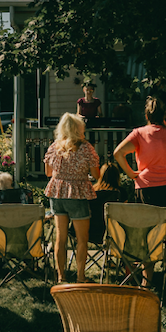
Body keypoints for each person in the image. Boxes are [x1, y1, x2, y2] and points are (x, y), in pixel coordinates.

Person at [114, 96, 166, 293]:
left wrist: (131, 173)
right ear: (165, 115)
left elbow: (117, 153)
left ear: (146, 115)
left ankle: (148, 282)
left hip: (147, 187)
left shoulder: (138, 134)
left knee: (149, 234)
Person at [45, 112, 101, 283]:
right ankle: (80, 276)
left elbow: (48, 172)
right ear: (79, 129)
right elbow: (96, 174)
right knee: (82, 238)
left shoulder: (55, 146)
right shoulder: (85, 148)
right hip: (77, 193)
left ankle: (61, 276)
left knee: (60, 238)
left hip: (57, 193)